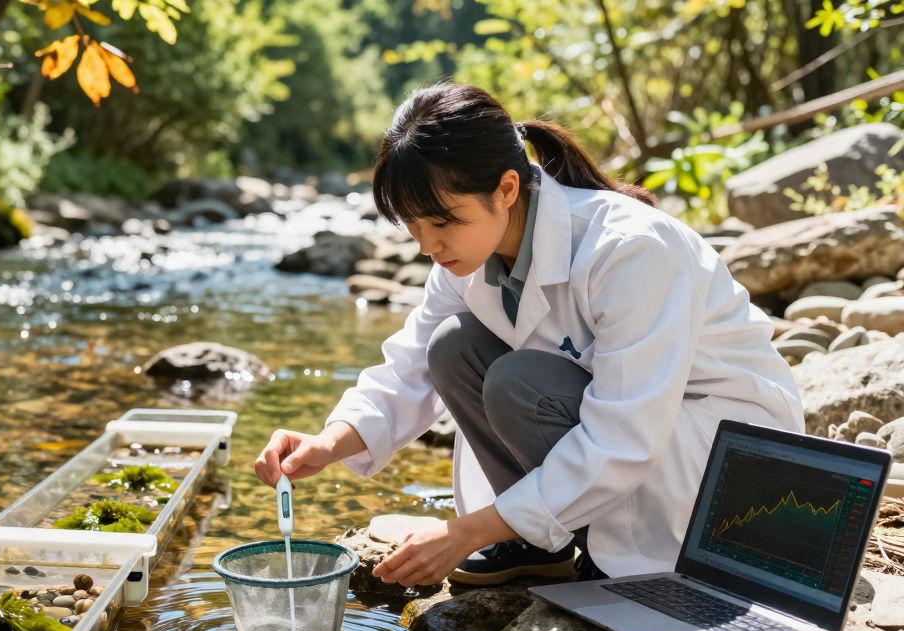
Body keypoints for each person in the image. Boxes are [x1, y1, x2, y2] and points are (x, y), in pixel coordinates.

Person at [253, 83, 804, 588]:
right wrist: (327, 443)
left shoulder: (629, 248)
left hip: (722, 454)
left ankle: (591, 544)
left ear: (507, 188)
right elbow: (411, 367)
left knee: (518, 380)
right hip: (634, 431)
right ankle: (537, 542)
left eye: (441, 223)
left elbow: (626, 434)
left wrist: (467, 532)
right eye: (413, 227)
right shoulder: (465, 259)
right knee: (451, 345)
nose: (427, 246)